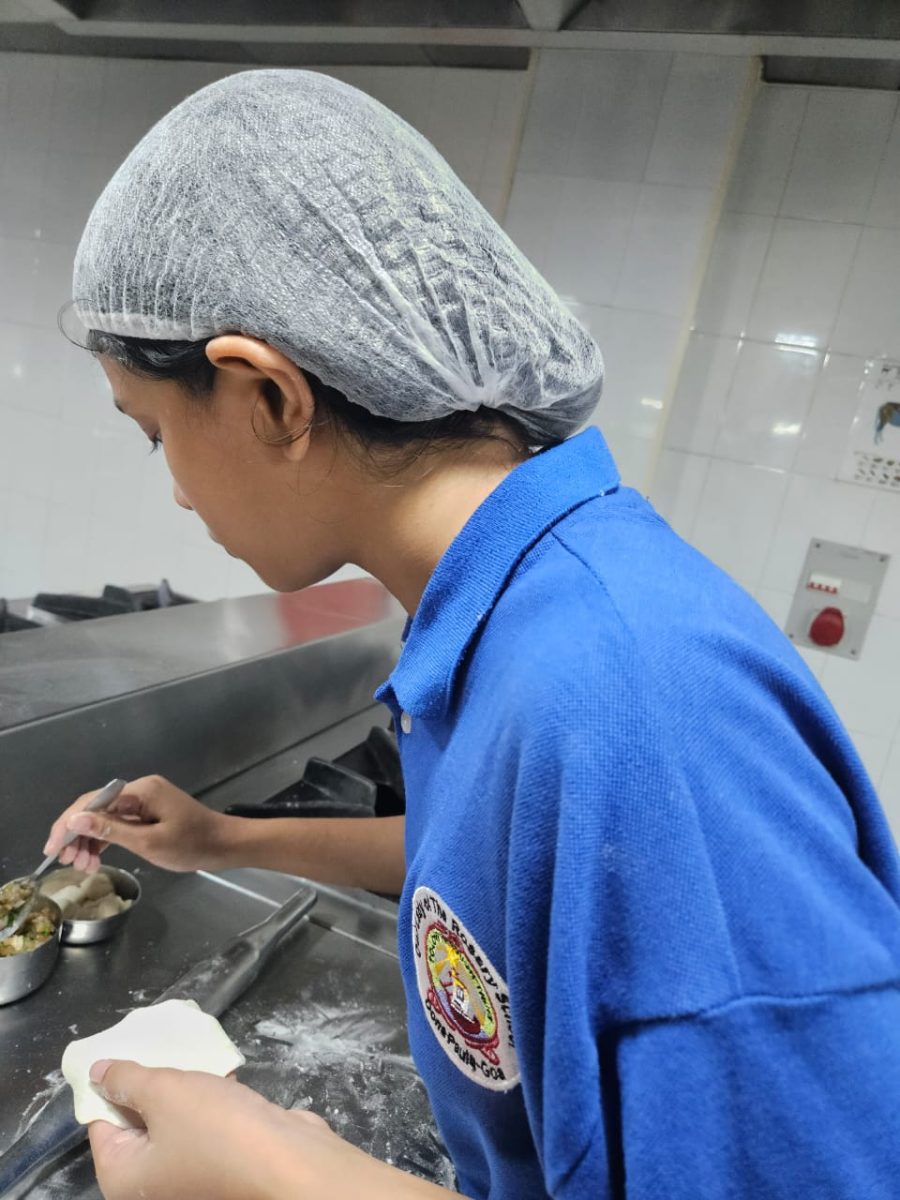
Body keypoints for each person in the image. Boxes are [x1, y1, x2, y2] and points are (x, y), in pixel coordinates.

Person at [42, 70, 900, 1200]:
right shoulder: (508, 621)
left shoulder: (631, 692)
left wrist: (287, 1180)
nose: (176, 492)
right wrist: (224, 838)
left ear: (271, 397)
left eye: (155, 434)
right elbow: (504, 872)